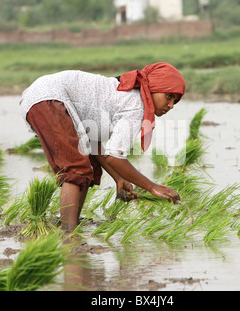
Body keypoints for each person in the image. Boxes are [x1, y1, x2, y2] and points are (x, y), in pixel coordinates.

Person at [20, 62, 186, 232]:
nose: (171, 105)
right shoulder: (137, 105)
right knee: (76, 169)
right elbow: (115, 157)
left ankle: (72, 224)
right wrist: (152, 187)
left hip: (42, 96)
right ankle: (68, 234)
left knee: (87, 166)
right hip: (49, 98)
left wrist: (119, 178)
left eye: (175, 101)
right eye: (169, 97)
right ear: (154, 88)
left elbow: (92, 143)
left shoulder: (129, 97)